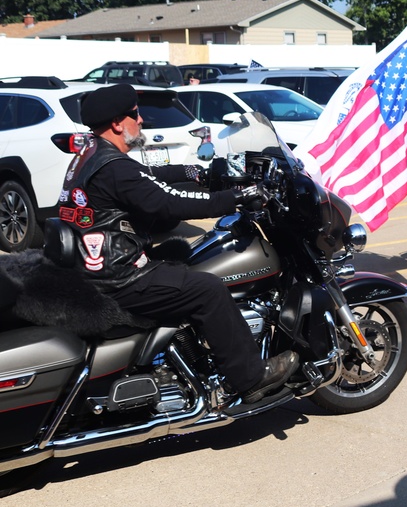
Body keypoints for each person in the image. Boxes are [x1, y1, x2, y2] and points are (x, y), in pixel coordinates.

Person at [56, 83, 298, 404]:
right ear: (117, 124)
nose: (141, 120)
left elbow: (145, 177)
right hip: (120, 279)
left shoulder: (91, 154)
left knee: (187, 260)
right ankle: (250, 378)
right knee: (209, 289)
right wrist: (237, 198)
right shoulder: (115, 167)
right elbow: (170, 203)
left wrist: (194, 172)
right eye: (135, 115)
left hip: (96, 267)